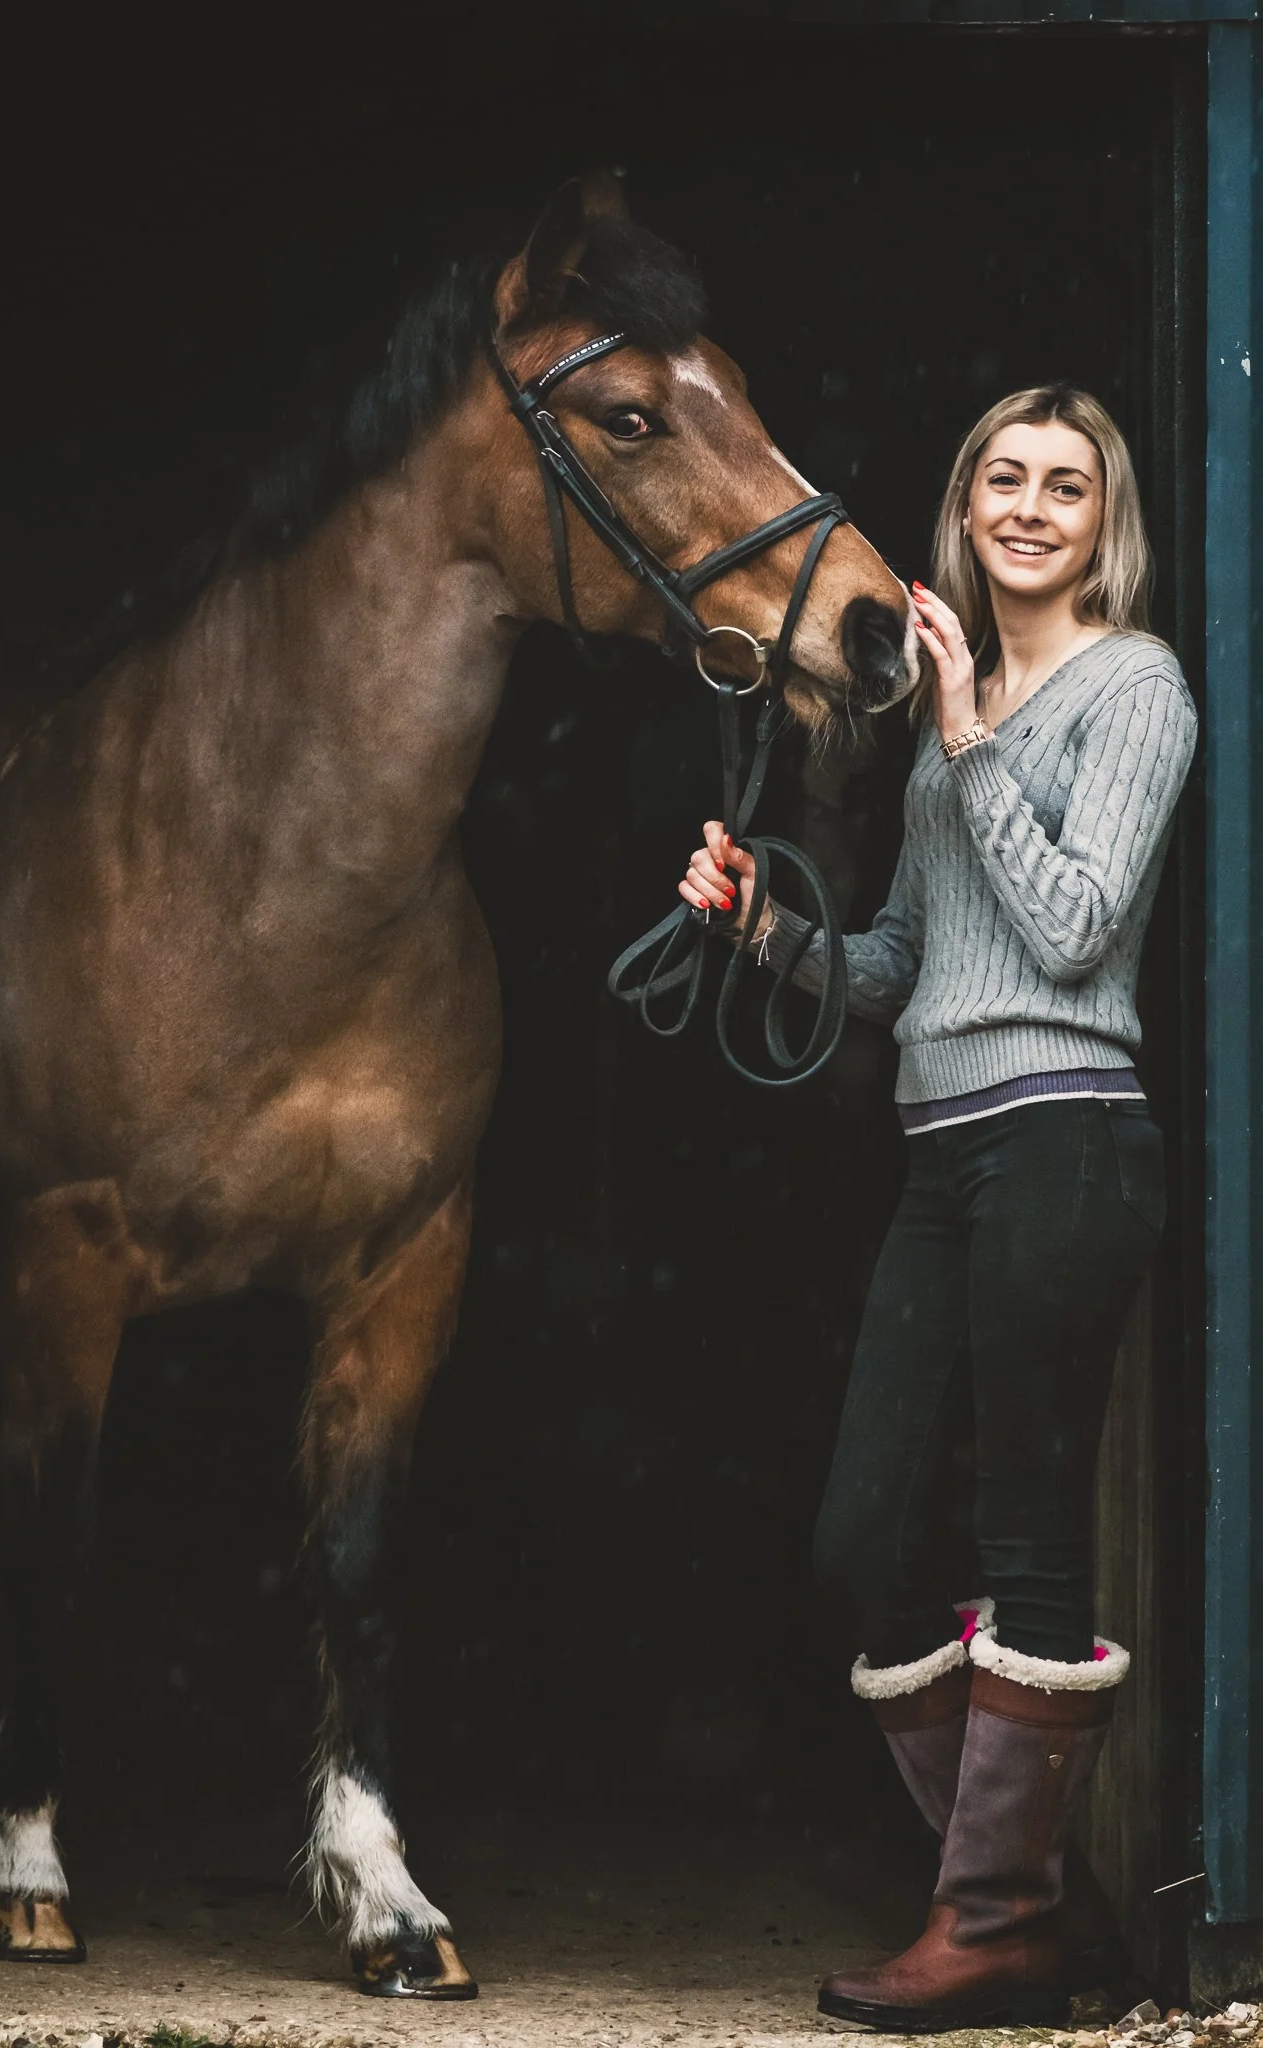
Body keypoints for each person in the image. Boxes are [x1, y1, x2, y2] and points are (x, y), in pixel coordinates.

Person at [680, 384, 1197, 2032]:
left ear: (1102, 519)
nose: (1030, 508)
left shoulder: (1137, 690)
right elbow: (908, 966)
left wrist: (970, 730)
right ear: (964, 504)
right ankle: (1035, 1907)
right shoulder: (943, 712)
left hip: (1067, 1141)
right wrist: (766, 929)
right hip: (945, 1147)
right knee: (863, 1538)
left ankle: (985, 1926)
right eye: (1002, 479)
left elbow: (1068, 930)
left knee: (1031, 1536)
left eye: (1065, 485)